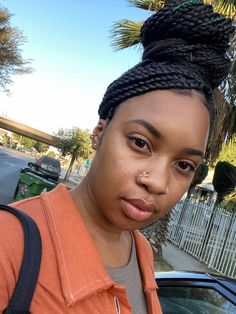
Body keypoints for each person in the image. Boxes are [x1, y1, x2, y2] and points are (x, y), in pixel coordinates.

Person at [0, 0, 234, 313]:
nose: (158, 182)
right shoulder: (9, 245)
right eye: (140, 143)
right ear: (99, 132)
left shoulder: (142, 252)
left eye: (183, 165)